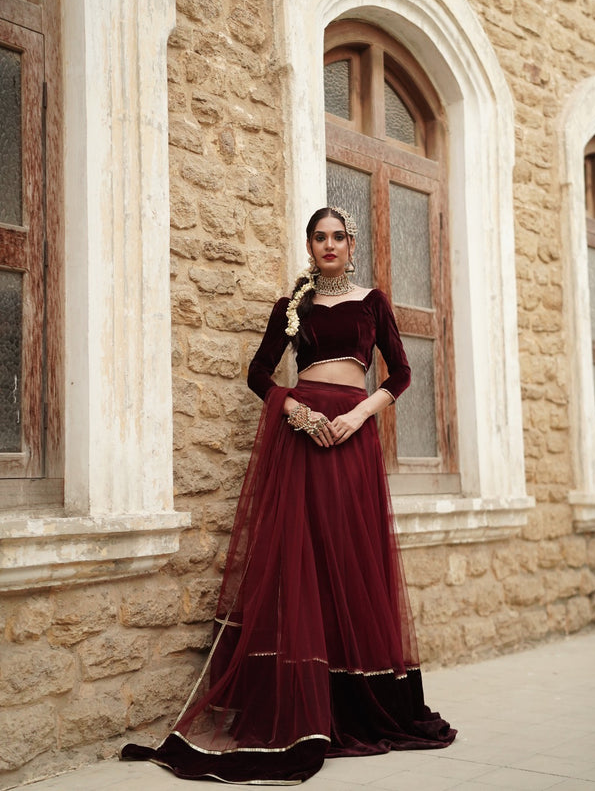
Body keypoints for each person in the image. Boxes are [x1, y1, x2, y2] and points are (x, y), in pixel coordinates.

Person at [121, 207, 456, 783]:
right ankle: (302, 703)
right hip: (303, 438)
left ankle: (357, 703)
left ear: (352, 245)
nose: (329, 245)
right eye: (319, 237)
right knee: (301, 562)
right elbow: (259, 374)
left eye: (339, 237)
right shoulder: (291, 306)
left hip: (350, 436)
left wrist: (357, 417)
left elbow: (399, 374)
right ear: (309, 246)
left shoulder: (373, 301)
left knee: (349, 557)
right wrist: (293, 409)